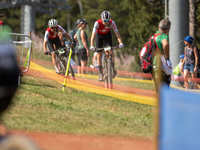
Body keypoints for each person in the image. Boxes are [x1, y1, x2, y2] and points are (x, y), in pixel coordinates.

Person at [90, 10, 124, 81]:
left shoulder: (112, 23)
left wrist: (120, 43)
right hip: (99, 37)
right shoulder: (97, 23)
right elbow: (93, 35)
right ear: (102, 19)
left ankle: (112, 69)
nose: (106, 22)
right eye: (105, 20)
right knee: (99, 54)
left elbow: (117, 34)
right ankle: (100, 73)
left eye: (108, 20)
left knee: (110, 51)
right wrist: (92, 45)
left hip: (107, 36)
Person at [151, 19, 172, 92]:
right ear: (168, 29)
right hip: (161, 65)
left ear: (158, 26)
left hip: (153, 64)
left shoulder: (153, 36)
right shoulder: (163, 36)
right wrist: (166, 55)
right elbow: (165, 44)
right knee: (165, 89)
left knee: (158, 89)